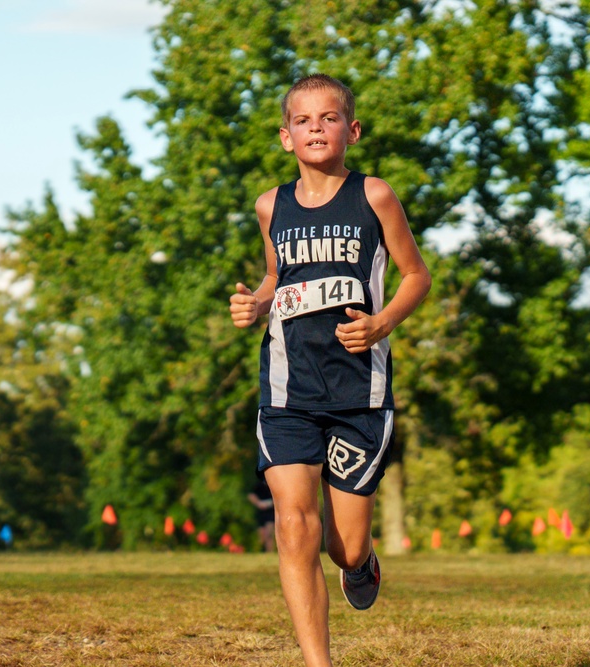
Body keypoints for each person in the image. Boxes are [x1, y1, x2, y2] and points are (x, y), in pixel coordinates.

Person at [228, 73, 431, 667]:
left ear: (352, 130)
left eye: (329, 118)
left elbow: (416, 276)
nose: (316, 127)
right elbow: (274, 277)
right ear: (286, 136)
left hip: (358, 393)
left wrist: (381, 323)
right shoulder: (272, 205)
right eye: (303, 121)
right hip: (288, 389)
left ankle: (361, 563)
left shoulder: (375, 196)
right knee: (294, 525)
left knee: (342, 547)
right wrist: (257, 303)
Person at [248, 476, 277, 552]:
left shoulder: (275, 485)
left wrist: (270, 503)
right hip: (261, 513)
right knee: (262, 537)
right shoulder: (259, 485)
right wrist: (258, 503)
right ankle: (262, 551)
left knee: (269, 534)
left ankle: (269, 552)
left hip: (270, 513)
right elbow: (251, 495)